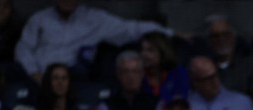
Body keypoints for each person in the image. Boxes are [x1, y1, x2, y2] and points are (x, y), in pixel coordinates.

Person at [13, 0, 172, 81]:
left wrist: (170, 32)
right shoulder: (39, 19)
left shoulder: (94, 18)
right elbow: (23, 48)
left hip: (71, 78)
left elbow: (130, 28)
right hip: (38, 76)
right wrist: (34, 73)